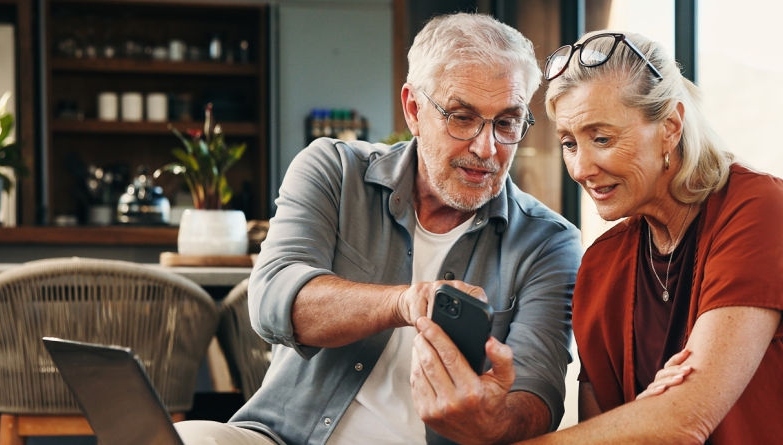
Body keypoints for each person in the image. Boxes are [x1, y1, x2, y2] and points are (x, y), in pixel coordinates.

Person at [175, 13, 582, 445]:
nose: (487, 148)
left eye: (506, 122)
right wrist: (404, 303)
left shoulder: (549, 242)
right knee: (190, 438)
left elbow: (539, 397)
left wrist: (491, 423)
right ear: (414, 110)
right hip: (283, 438)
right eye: (462, 117)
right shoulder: (334, 171)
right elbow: (274, 299)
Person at [521, 31, 783, 444]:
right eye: (569, 143)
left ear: (670, 127)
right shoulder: (601, 268)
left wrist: (663, 413)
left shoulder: (763, 211)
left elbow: (683, 421)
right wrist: (649, 416)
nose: (581, 168)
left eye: (602, 139)